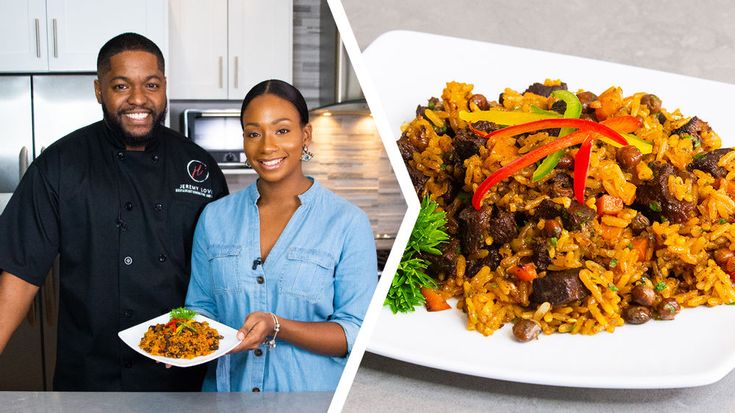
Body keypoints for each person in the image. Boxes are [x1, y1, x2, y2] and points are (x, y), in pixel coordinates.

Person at [0, 33, 228, 391]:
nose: (138, 99)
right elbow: (20, 272)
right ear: (98, 90)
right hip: (90, 377)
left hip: (181, 379)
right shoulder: (59, 165)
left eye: (151, 85)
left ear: (164, 86)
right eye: (121, 86)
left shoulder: (198, 166)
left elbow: (220, 276)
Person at [184, 79, 377, 392]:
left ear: (306, 135)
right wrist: (178, 341)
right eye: (253, 133)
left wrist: (278, 327)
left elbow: (355, 333)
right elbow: (201, 309)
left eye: (282, 130)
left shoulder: (347, 223)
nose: (267, 146)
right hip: (227, 399)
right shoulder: (214, 218)